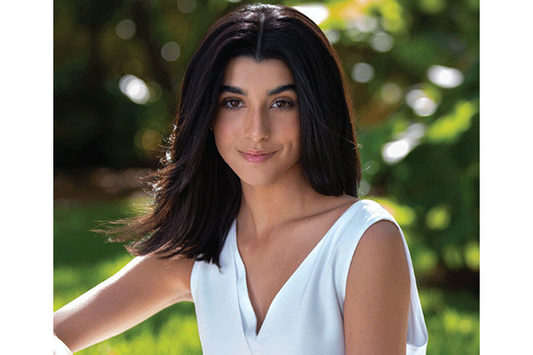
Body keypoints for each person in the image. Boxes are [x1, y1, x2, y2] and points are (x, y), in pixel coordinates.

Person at [54, 3, 428, 354]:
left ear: (316, 110)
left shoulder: (363, 240)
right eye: (234, 102)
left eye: (282, 103)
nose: (256, 130)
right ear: (209, 114)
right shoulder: (199, 250)